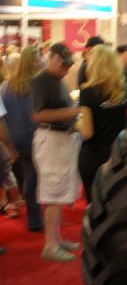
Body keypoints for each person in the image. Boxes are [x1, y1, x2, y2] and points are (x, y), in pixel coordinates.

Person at [31, 43, 81, 262]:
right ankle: (50, 245)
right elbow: (37, 115)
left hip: (60, 140)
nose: (66, 68)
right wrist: (70, 112)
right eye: (63, 63)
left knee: (58, 193)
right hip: (51, 139)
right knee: (52, 193)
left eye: (68, 64)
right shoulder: (41, 81)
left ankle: (56, 239)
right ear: (51, 58)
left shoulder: (54, 80)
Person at [77, 45, 127, 202]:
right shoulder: (123, 89)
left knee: (94, 206)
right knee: (115, 202)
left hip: (94, 156)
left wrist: (77, 122)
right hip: (118, 155)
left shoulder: (87, 92)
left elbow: (88, 133)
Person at [2, 45, 43, 230]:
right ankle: (35, 219)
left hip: (16, 137)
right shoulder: (35, 84)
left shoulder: (7, 85)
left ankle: (34, 215)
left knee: (28, 176)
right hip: (34, 136)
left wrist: (9, 144)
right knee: (33, 177)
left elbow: (4, 116)